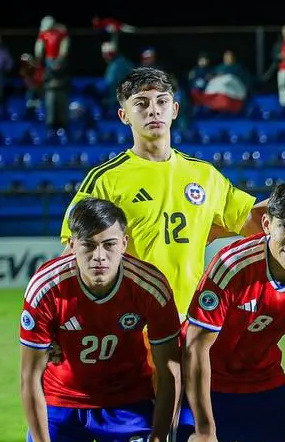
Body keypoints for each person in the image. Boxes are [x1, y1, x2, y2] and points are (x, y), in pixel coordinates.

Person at [61, 67, 259, 315]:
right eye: (141, 104)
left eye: (162, 101)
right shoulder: (105, 180)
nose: (153, 110)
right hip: (131, 322)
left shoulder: (205, 175)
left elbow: (255, 221)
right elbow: (73, 253)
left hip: (190, 320)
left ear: (174, 109)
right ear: (124, 115)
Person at [182, 179, 285, 442]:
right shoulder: (232, 265)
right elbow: (196, 347)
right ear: (267, 224)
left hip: (262, 379)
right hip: (204, 380)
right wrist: (204, 430)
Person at [20, 199, 181, 442]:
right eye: (88, 245)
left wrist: (158, 440)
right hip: (59, 404)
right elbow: (30, 376)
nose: (99, 256)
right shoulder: (46, 288)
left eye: (109, 245)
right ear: (72, 245)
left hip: (129, 404)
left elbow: (169, 372)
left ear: (124, 244)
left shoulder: (151, 288)